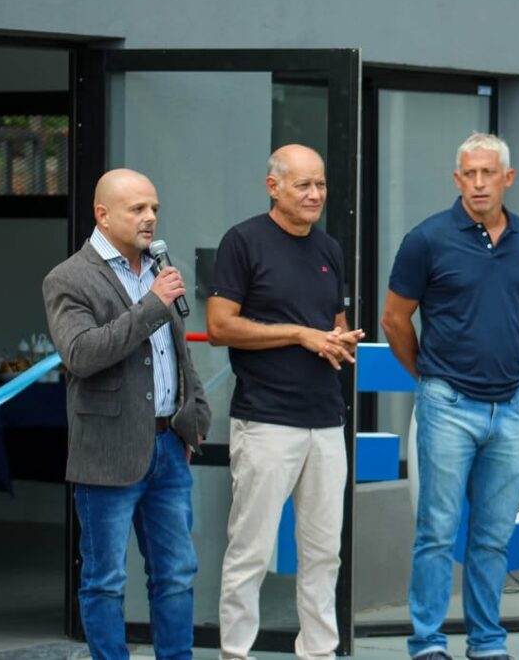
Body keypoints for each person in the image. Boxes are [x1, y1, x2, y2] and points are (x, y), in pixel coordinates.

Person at [381, 133, 519, 660]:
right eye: (469, 174)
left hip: (510, 407)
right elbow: (394, 319)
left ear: (507, 178)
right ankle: (427, 643)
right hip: (447, 405)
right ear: (457, 179)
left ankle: (487, 642)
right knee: (437, 532)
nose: (478, 183)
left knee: (494, 536)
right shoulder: (426, 239)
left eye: (488, 173)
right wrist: (429, 374)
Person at [43, 168, 211, 660]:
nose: (150, 217)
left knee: (176, 573)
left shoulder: (159, 268)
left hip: (168, 448)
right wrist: (152, 305)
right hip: (107, 454)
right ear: (103, 214)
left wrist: (194, 418)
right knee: (105, 580)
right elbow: (82, 354)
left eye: (154, 207)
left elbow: (178, 353)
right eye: (137, 208)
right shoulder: (69, 278)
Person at [208, 144, 364, 660]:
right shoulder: (244, 241)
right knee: (250, 551)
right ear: (273, 187)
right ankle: (235, 654)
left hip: (326, 420)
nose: (316, 194)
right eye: (303, 185)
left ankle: (319, 653)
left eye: (321, 184)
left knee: (324, 554)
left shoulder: (329, 249)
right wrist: (299, 333)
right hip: (266, 421)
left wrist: (339, 339)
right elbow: (220, 326)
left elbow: (333, 323)